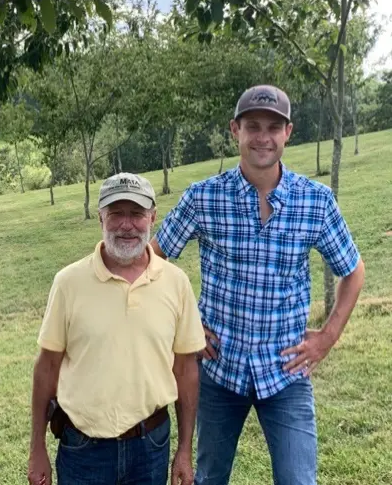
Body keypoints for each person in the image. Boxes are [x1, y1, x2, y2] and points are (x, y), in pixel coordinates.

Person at [151, 85, 365, 485]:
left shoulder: (315, 202)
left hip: (285, 371)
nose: (263, 137)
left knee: (298, 479)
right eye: (253, 126)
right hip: (219, 370)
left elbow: (353, 271)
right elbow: (152, 262)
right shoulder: (203, 198)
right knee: (209, 476)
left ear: (288, 133)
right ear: (235, 130)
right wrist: (180, 327)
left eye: (273, 127)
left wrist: (327, 337)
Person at [28, 173, 206, 485]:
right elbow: (47, 367)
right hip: (82, 448)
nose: (126, 225)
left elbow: (186, 369)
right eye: (116, 214)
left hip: (151, 445)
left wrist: (185, 450)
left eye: (136, 214)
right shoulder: (68, 282)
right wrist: (37, 446)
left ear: (153, 217)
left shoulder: (176, 283)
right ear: (100, 218)